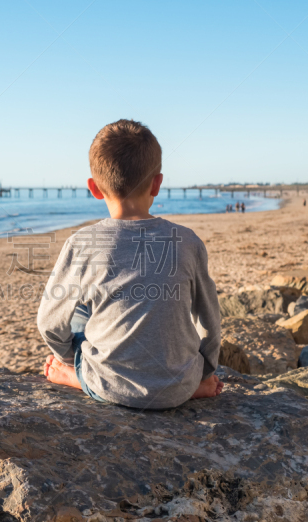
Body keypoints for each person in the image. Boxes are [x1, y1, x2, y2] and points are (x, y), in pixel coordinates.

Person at [37, 119, 223, 409]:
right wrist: (203, 371)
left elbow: (49, 324)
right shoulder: (187, 241)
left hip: (109, 386)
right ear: (158, 183)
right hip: (180, 387)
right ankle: (186, 387)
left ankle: (75, 378)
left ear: (94, 188)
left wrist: (67, 359)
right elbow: (210, 320)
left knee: (77, 313)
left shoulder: (83, 244)